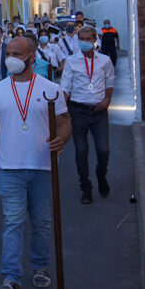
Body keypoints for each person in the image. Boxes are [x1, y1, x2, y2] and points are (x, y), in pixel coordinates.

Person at [0, 36, 71, 289]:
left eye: (17, 54)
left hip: (42, 166)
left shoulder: (50, 89)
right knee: (13, 221)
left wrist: (61, 138)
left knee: (42, 222)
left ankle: (40, 266)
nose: (10, 58)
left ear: (32, 57)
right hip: (8, 168)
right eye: (8, 53)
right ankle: (11, 278)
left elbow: (65, 123)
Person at [60, 26, 115, 204]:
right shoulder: (71, 61)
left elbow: (109, 82)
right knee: (81, 151)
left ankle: (101, 174)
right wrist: (62, 111)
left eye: (87, 39)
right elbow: (65, 86)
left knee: (103, 150)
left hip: (99, 112)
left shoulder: (105, 61)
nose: (84, 42)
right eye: (81, 39)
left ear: (94, 40)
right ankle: (86, 187)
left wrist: (107, 100)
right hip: (78, 111)